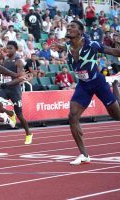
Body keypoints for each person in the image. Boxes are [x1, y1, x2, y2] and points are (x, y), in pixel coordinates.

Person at [52, 20, 120, 165]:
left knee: (117, 115)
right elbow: (63, 47)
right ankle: (84, 154)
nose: (69, 28)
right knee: (72, 115)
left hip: (98, 83)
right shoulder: (68, 46)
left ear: (80, 32)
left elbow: (113, 52)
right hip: (83, 85)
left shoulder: (92, 44)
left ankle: (115, 86)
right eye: (68, 26)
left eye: (73, 27)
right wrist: (59, 47)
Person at [0, 41, 33, 144]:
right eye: (7, 48)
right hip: (5, 88)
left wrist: (8, 84)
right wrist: (1, 56)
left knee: (19, 115)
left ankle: (28, 133)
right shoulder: (5, 59)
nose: (8, 50)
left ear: (15, 49)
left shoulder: (18, 61)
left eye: (10, 48)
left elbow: (20, 78)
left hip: (14, 90)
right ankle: (9, 113)